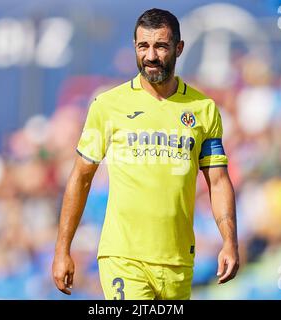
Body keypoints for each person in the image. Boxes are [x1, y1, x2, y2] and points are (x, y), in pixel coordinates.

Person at [52, 8, 239, 300]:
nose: (151, 56)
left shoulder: (203, 109)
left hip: (177, 261)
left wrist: (230, 241)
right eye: (143, 46)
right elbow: (81, 177)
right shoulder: (107, 105)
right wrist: (62, 250)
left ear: (179, 48)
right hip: (124, 258)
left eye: (161, 46)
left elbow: (217, 181)